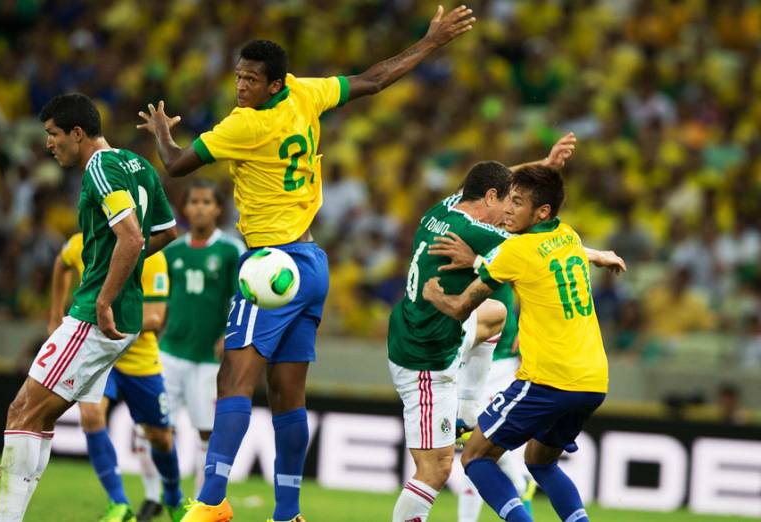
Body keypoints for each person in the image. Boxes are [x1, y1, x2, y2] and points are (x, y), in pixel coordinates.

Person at [138, 7, 477, 521]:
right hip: (311, 263)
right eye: (238, 77)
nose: (241, 88)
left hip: (270, 265)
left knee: (232, 380)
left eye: (251, 80)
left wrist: (162, 133)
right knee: (287, 395)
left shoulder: (245, 124)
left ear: (274, 83)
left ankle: (210, 503)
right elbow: (373, 79)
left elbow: (177, 164)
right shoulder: (305, 92)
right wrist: (430, 42)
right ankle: (289, 513)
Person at [0, 93, 178, 522]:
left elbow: (132, 237)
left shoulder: (99, 167)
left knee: (22, 412)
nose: (48, 144)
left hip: (94, 316)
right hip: (122, 318)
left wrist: (105, 293)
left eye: (53, 134)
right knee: (39, 416)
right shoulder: (139, 165)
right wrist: (122, 271)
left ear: (78, 133)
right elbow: (165, 234)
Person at [390, 134, 583, 522]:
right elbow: (539, 256)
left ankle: (466, 406)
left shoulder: (443, 208)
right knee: (436, 470)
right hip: (427, 357)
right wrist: (591, 254)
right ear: (491, 197)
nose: (510, 211)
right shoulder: (482, 233)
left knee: (495, 312)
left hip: (419, 329)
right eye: (507, 201)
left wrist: (544, 164)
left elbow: (489, 181)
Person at [422, 165, 625, 522]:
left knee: (475, 457)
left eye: (516, 202)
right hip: (593, 381)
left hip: (548, 380)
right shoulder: (568, 235)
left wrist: (433, 295)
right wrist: (599, 254)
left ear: (541, 212)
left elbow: (460, 307)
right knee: (539, 463)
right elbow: (530, 257)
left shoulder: (517, 253)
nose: (507, 209)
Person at [50, 232, 183, 522]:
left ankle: (173, 496)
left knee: (160, 438)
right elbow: (61, 263)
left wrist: (110, 319)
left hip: (138, 356)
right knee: (91, 415)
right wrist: (54, 316)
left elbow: (157, 317)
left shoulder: (151, 255)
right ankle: (119, 503)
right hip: (98, 354)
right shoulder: (83, 242)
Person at [160, 179, 245, 497]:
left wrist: (229, 334)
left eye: (206, 202)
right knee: (158, 430)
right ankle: (162, 496)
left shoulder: (230, 250)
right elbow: (160, 296)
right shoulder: (172, 251)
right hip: (170, 350)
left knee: (206, 432)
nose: (199, 207)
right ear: (184, 208)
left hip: (210, 357)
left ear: (218, 209)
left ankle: (200, 501)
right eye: (193, 201)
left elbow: (243, 297)